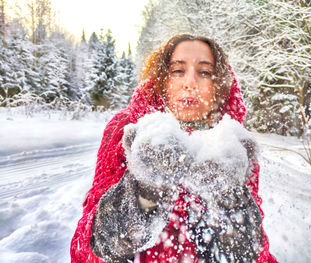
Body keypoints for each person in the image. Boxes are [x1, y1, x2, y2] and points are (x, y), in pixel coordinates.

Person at [70, 34, 278, 263]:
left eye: (205, 72)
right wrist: (144, 192)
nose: (190, 82)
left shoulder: (231, 144)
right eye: (178, 70)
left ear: (218, 85)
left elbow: (254, 255)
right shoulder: (127, 129)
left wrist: (229, 202)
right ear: (162, 79)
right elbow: (86, 248)